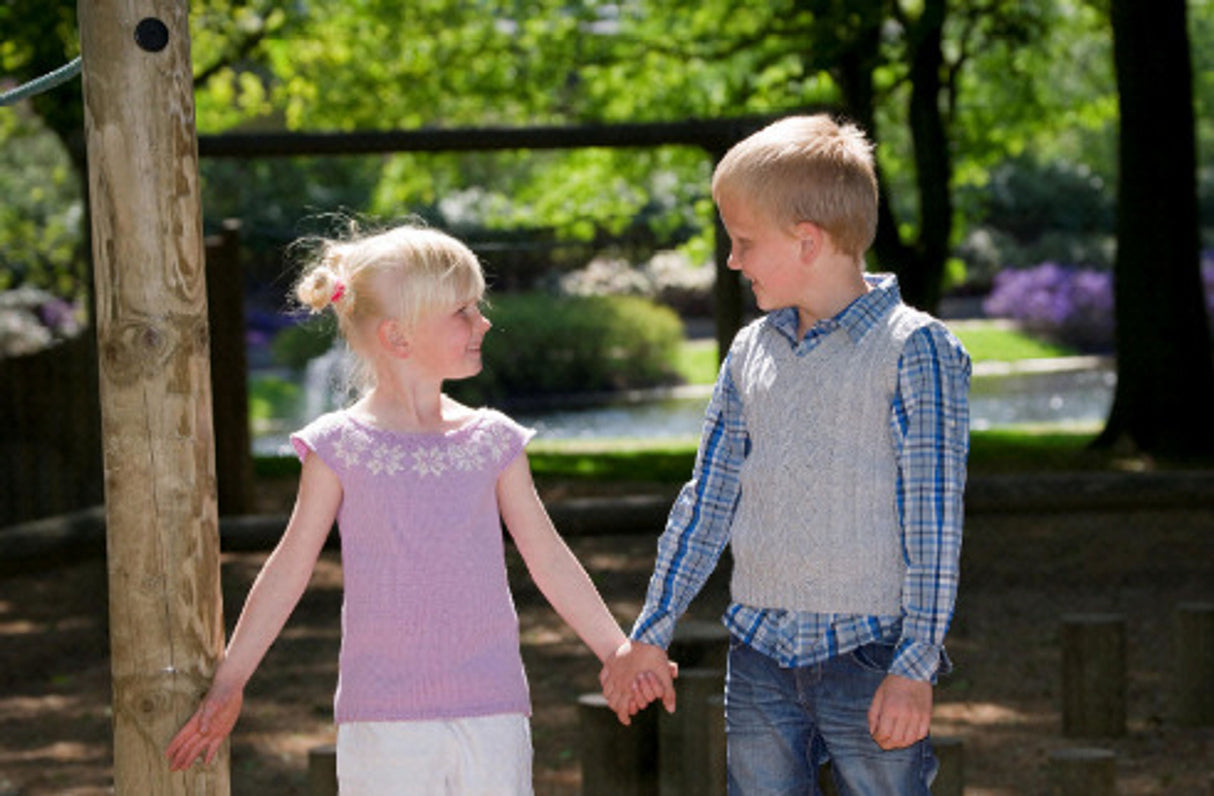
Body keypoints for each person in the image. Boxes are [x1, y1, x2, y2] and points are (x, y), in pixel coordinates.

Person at [166, 222, 650, 794]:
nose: (484, 322)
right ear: (398, 337)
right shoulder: (337, 446)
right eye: (463, 312)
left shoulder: (493, 440)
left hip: (493, 712)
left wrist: (616, 650)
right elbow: (289, 567)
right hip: (382, 721)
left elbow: (548, 557)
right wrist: (231, 680)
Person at [601, 114, 971, 794]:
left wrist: (914, 665)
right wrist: (651, 629)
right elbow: (706, 501)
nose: (731, 260)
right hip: (761, 655)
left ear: (807, 241)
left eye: (743, 242)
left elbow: (933, 520)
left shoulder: (915, 349)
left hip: (871, 654)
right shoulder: (749, 352)